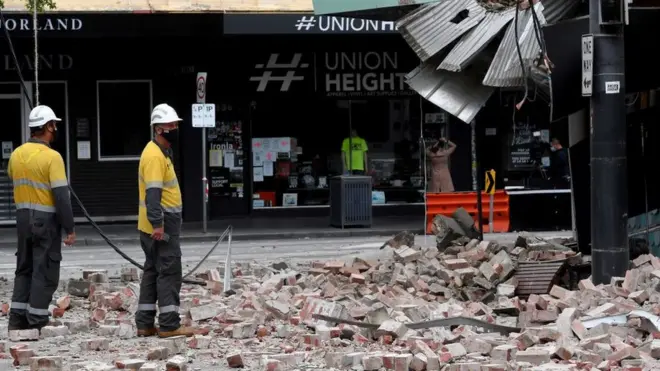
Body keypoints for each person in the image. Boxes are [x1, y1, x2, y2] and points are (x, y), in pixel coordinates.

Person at [8, 105, 75, 331]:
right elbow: (61, 197)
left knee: (24, 268)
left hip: (22, 220)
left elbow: (13, 176)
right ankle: (36, 320)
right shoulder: (52, 157)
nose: (55, 129)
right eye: (53, 125)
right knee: (44, 270)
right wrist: (70, 228)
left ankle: (17, 320)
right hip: (45, 222)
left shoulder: (16, 154)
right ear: (47, 127)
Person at [135, 104, 193, 338]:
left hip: (154, 225)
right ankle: (169, 324)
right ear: (158, 129)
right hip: (161, 226)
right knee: (169, 271)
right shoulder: (154, 156)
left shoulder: (159, 153)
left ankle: (145, 323)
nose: (175, 128)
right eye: (171, 125)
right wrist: (158, 224)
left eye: (175, 124)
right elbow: (153, 195)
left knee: (152, 271)